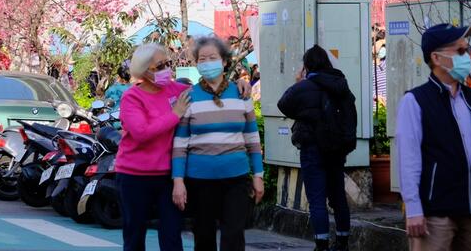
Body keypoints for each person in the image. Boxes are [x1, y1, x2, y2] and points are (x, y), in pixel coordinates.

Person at [396, 23, 471, 251]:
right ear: (436, 58)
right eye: (460, 51)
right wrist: (414, 208)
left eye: (467, 50)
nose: (466, 56)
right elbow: (409, 161)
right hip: (433, 214)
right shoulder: (416, 101)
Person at [172, 36, 264, 251]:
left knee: (233, 236)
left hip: (236, 179)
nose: (207, 63)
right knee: (203, 237)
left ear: (224, 61)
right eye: (202, 59)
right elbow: (180, 144)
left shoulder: (241, 93)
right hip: (199, 180)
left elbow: (252, 139)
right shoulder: (189, 96)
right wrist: (178, 181)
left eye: (212, 57)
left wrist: (258, 176)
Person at [277, 45, 355, 251]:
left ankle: (322, 244)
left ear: (306, 66)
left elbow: (283, 104)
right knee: (338, 196)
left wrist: (298, 83)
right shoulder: (341, 84)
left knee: (317, 199)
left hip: (312, 147)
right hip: (337, 149)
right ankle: (342, 242)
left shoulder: (304, 86)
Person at [115, 43, 190, 251]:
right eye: (160, 66)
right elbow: (141, 133)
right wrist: (175, 114)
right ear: (145, 71)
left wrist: (237, 84)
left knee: (172, 236)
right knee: (135, 236)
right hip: (133, 176)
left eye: (168, 63)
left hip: (168, 176)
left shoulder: (176, 90)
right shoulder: (132, 97)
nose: (167, 69)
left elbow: (205, 92)